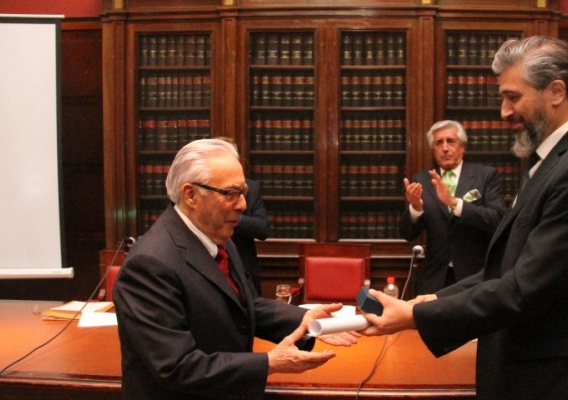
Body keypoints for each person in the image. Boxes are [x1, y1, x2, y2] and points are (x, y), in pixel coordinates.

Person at [362, 36, 568, 400]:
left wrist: (415, 318)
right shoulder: (551, 161)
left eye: (513, 97)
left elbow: (526, 287)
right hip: (534, 369)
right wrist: (431, 300)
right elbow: (506, 268)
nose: (504, 112)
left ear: (555, 91)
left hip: (563, 378)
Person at [113, 138, 358, 400]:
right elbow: (177, 366)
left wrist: (304, 320)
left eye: (243, 192)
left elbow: (244, 305)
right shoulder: (150, 264)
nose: (242, 204)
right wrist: (269, 363)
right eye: (230, 193)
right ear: (190, 195)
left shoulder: (218, 237)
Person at [400, 120, 506, 295]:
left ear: (462, 147)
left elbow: (497, 220)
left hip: (475, 278)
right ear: (433, 150)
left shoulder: (485, 176)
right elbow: (407, 233)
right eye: (439, 143)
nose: (445, 148)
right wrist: (415, 208)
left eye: (450, 141)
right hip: (436, 279)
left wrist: (455, 204)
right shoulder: (422, 181)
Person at [217, 136, 271, 295]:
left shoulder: (251, 188)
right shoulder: (201, 190)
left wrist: (233, 217)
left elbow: (263, 229)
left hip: (244, 268)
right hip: (211, 268)